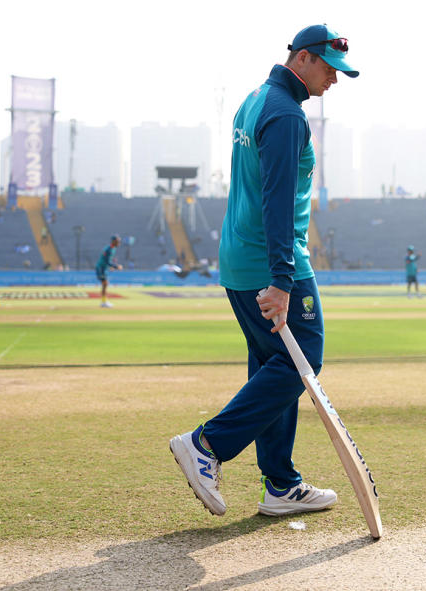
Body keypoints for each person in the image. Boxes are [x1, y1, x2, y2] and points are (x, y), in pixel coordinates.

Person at [169, 24, 359, 518]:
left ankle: (280, 483)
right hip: (274, 263)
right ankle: (207, 445)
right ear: (301, 59)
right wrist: (281, 279)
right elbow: (277, 200)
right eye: (329, 69)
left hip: (240, 259)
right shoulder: (287, 115)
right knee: (303, 359)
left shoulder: (255, 99)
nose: (334, 81)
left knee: (273, 365)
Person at [96, 235, 122, 308]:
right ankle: (103, 302)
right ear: (113, 241)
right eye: (117, 241)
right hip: (101, 268)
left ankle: (104, 301)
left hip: (104, 267)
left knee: (105, 284)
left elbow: (108, 260)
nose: (119, 243)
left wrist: (110, 266)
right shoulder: (109, 249)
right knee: (105, 284)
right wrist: (116, 266)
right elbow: (107, 261)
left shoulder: (113, 249)